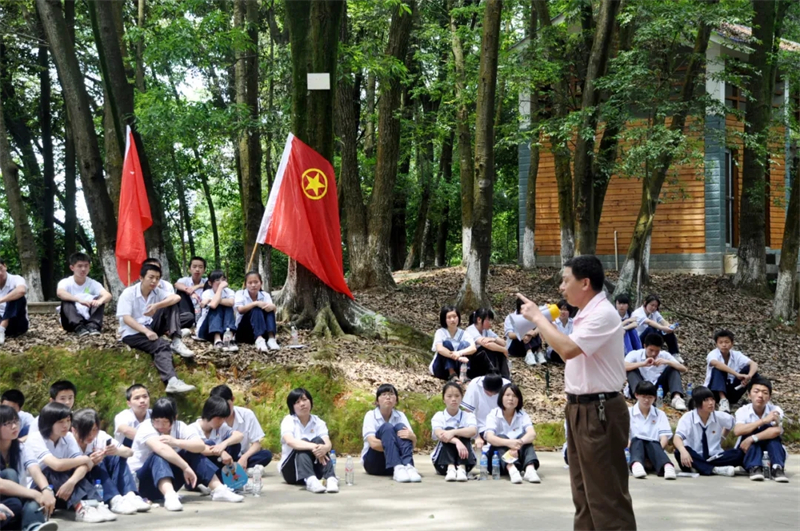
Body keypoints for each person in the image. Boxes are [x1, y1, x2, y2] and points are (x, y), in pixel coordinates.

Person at [518, 255, 636, 530]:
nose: (561, 287)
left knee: (606, 497)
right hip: (580, 408)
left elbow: (568, 349)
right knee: (583, 495)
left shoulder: (603, 314)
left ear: (585, 283)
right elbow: (567, 350)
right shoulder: (584, 315)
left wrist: (539, 318)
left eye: (565, 280)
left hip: (600, 410)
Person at [126, 397, 243, 511]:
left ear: (174, 418)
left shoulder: (180, 426)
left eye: (165, 422)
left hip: (169, 480)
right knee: (158, 456)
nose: (160, 426)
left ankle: (219, 489)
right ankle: (170, 496)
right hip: (143, 483)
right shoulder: (146, 427)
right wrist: (185, 467)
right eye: (156, 421)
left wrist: (177, 442)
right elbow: (161, 449)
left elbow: (200, 446)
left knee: (191, 451)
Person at [116, 263, 196, 394]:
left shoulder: (156, 292)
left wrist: (157, 305)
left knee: (171, 304)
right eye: (151, 277)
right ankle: (171, 381)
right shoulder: (128, 293)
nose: (154, 281)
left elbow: (176, 297)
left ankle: (176, 339)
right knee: (161, 345)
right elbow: (126, 318)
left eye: (157, 278)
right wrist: (146, 331)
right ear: (141, 278)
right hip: (133, 332)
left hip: (150, 325)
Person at [25, 403, 111, 523]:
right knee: (53, 469)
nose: (66, 425)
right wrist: (85, 459)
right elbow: (56, 465)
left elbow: (83, 466)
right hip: (42, 489)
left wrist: (71, 482)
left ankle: (95, 504)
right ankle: (81, 507)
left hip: (63, 491)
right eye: (60, 422)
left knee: (74, 470)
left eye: (68, 420)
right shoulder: (36, 438)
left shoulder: (68, 437)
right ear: (49, 423)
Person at [70, 409, 150, 514]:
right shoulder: (68, 441)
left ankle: (130, 495)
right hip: (80, 480)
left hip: (99, 477)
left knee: (116, 456)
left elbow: (129, 452)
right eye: (86, 431)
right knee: (98, 461)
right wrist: (89, 461)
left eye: (94, 430)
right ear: (74, 430)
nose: (91, 435)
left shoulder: (100, 436)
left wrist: (116, 451)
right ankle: (114, 499)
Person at [0, 405, 58, 531]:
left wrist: (46, 490)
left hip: (15, 499)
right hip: (4, 501)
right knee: (10, 474)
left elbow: (35, 470)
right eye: (7, 423)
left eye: (16, 421)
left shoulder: (21, 447)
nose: (14, 426)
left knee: (33, 502)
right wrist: (35, 494)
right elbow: (1, 485)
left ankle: (34, 527)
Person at [673, 385, 742, 477]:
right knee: (679, 451)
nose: (711, 403)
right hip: (694, 456)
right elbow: (677, 438)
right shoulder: (688, 418)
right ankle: (714, 469)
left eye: (712, 399)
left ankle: (701, 468)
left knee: (738, 454)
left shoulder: (718, 416)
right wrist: (683, 451)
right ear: (697, 402)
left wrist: (722, 437)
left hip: (714, 457)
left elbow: (732, 423)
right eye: (706, 400)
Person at [278, 388, 337, 493]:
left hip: (314, 468)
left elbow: (327, 442)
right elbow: (290, 441)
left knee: (318, 440)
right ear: (292, 406)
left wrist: (324, 448)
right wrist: (312, 446)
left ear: (310, 401)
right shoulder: (289, 420)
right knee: (303, 442)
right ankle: (310, 480)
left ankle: (331, 478)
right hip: (292, 471)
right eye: (297, 402)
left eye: (305, 400)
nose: (302, 404)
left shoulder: (318, 422)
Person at [361, 384, 421, 483]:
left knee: (401, 427)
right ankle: (397, 466)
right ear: (377, 401)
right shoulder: (370, 415)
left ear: (396, 400)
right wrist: (396, 446)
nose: (388, 397)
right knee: (387, 427)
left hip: (396, 466)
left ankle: (409, 466)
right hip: (375, 463)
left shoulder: (400, 415)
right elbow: (373, 443)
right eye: (384, 394)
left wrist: (413, 438)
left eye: (391, 394)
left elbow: (410, 443)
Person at [732, 377, 788, 482]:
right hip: (748, 451)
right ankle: (755, 467)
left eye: (765, 392)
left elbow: (777, 431)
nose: (760, 395)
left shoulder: (775, 410)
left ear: (769, 397)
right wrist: (763, 421)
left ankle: (777, 468)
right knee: (752, 433)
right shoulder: (742, 411)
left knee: (773, 439)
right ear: (749, 395)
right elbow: (738, 431)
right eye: (756, 391)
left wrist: (752, 438)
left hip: (770, 452)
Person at [483, 383, 541, 484]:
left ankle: (530, 470)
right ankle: (512, 470)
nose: (511, 399)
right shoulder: (493, 414)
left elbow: (532, 434)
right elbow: (489, 437)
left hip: (517, 456)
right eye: (507, 395)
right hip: (496, 461)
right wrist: (509, 443)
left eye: (514, 396)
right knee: (500, 437)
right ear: (501, 397)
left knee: (525, 438)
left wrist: (519, 443)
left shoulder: (522, 415)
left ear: (519, 400)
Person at [209, 385, 272, 470]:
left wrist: (244, 458)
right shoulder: (212, 419)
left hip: (240, 457)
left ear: (233, 399)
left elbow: (256, 444)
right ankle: (238, 469)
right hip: (221, 457)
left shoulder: (247, 414)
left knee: (266, 455)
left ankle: (235, 468)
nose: (224, 410)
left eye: (226, 406)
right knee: (234, 444)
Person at [627, 382, 677, 480]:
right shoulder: (628, 413)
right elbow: (625, 436)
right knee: (637, 440)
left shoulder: (660, 414)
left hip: (654, 450)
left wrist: (653, 454)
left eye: (650, 397)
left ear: (655, 397)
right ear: (636, 395)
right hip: (635, 450)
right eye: (643, 397)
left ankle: (667, 466)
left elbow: (664, 438)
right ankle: (636, 464)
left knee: (653, 442)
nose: (646, 400)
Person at [624, 334, 688, 410]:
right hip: (639, 387)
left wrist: (668, 362)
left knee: (673, 367)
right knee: (631, 369)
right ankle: (640, 398)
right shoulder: (635, 354)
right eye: (651, 350)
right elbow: (623, 366)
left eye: (657, 351)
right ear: (645, 346)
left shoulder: (664, 355)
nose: (654, 354)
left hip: (657, 390)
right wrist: (642, 364)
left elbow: (684, 369)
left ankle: (677, 398)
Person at [56, 252, 112, 337]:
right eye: (79, 266)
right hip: (70, 322)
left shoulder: (93, 283)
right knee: (66, 300)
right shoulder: (65, 282)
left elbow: (108, 295)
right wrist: (79, 300)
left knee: (100, 298)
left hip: (89, 319)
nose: (83, 269)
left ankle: (93, 326)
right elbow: (60, 293)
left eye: (86, 266)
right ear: (72, 268)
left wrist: (99, 301)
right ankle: (78, 327)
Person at [187, 397, 244, 478]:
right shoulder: (192, 429)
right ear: (209, 413)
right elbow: (199, 449)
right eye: (219, 418)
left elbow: (239, 435)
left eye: (224, 418)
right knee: (209, 444)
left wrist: (223, 444)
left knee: (234, 444)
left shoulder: (221, 427)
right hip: (202, 467)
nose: (222, 421)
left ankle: (229, 475)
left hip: (220, 463)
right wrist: (221, 452)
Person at [430, 382, 477, 481]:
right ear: (443, 399)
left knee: (462, 431)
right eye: (449, 396)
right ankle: (450, 468)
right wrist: (457, 441)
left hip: (467, 463)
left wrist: (453, 432)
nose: (453, 399)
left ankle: (461, 468)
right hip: (442, 464)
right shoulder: (439, 416)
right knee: (447, 430)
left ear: (462, 398)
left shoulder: (468, 416)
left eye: (457, 396)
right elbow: (439, 433)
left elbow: (473, 431)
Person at [703, 330, 759, 413]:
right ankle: (723, 401)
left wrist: (748, 376)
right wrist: (736, 374)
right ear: (716, 344)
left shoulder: (737, 355)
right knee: (718, 368)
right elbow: (715, 363)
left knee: (749, 369)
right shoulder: (713, 354)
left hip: (733, 391)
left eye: (726, 342)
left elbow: (753, 364)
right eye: (720, 342)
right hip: (714, 392)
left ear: (732, 343)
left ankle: (759, 397)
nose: (724, 345)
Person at [461, 373, 510, 451]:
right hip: (482, 426)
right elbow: (468, 412)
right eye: (487, 392)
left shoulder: (507, 385)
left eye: (494, 393)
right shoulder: (475, 384)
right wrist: (476, 436)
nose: (490, 395)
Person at [141, 258, 194, 331]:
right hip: (145, 321)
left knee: (189, 317)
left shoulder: (167, 285)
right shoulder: (136, 289)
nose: (154, 271)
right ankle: (171, 331)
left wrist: (157, 304)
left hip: (164, 319)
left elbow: (174, 301)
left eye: (156, 269)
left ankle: (169, 330)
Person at [234, 272, 279, 352]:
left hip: (263, 331)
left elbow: (272, 312)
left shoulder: (265, 295)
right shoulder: (240, 293)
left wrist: (273, 307)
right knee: (256, 309)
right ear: (245, 284)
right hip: (244, 332)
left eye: (256, 282)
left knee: (269, 308)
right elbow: (240, 310)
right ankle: (259, 340)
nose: (253, 285)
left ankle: (271, 339)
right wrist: (256, 303)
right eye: (250, 283)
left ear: (261, 283)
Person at [195, 270, 238, 351]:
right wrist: (220, 289)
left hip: (224, 329)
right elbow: (213, 305)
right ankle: (217, 339)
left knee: (227, 306)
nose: (221, 282)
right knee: (216, 307)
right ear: (210, 283)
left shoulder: (229, 292)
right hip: (207, 330)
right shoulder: (207, 293)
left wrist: (211, 300)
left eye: (223, 279)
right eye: (217, 280)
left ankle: (229, 339)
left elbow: (231, 302)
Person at [630, 294, 681, 359]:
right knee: (651, 329)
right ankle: (650, 352)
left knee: (668, 332)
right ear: (645, 303)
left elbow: (662, 321)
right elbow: (649, 322)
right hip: (639, 340)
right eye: (652, 305)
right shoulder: (638, 313)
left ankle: (674, 353)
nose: (653, 308)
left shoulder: (654, 312)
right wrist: (663, 328)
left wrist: (669, 326)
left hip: (652, 336)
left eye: (656, 306)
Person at [429, 306, 472, 382]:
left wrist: (459, 353)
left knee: (465, 344)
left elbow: (473, 348)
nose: (452, 320)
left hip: (459, 369)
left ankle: (463, 375)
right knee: (446, 343)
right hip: (441, 369)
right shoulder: (440, 332)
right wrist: (457, 357)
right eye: (449, 317)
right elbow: (440, 349)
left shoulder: (464, 334)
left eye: (454, 317)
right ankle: (451, 373)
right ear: (444, 319)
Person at [464, 309, 509, 379]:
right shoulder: (471, 330)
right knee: (485, 350)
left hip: (484, 364)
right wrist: (504, 350)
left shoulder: (486, 330)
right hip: (473, 365)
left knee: (497, 350)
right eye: (488, 320)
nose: (490, 322)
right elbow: (486, 345)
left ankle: (505, 377)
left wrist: (494, 339)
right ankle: (495, 376)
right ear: (479, 320)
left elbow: (503, 343)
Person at [504, 298, 543, 365]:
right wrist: (524, 333)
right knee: (525, 333)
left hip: (531, 345)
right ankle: (529, 353)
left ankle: (539, 352)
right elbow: (510, 335)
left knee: (532, 331)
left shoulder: (531, 316)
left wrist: (534, 332)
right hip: (515, 347)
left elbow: (539, 326)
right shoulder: (510, 317)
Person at [174, 256, 208, 333]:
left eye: (200, 267)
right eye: (194, 267)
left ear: (204, 270)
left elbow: (214, 284)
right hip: (187, 310)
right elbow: (177, 284)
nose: (197, 269)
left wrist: (197, 286)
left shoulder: (207, 281)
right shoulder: (185, 280)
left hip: (202, 310)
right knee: (181, 291)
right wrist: (190, 292)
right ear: (189, 269)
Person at [0, 259, 28, 347]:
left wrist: (1, 300)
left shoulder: (16, 279)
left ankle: (1, 329)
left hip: (17, 323)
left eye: (0, 269)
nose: (0, 273)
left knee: (16, 294)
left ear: (5, 266)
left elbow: (21, 290)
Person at [545, 300, 573, 364]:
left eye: (565, 310)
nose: (562, 312)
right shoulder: (553, 322)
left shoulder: (573, 323)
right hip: (555, 351)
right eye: (560, 309)